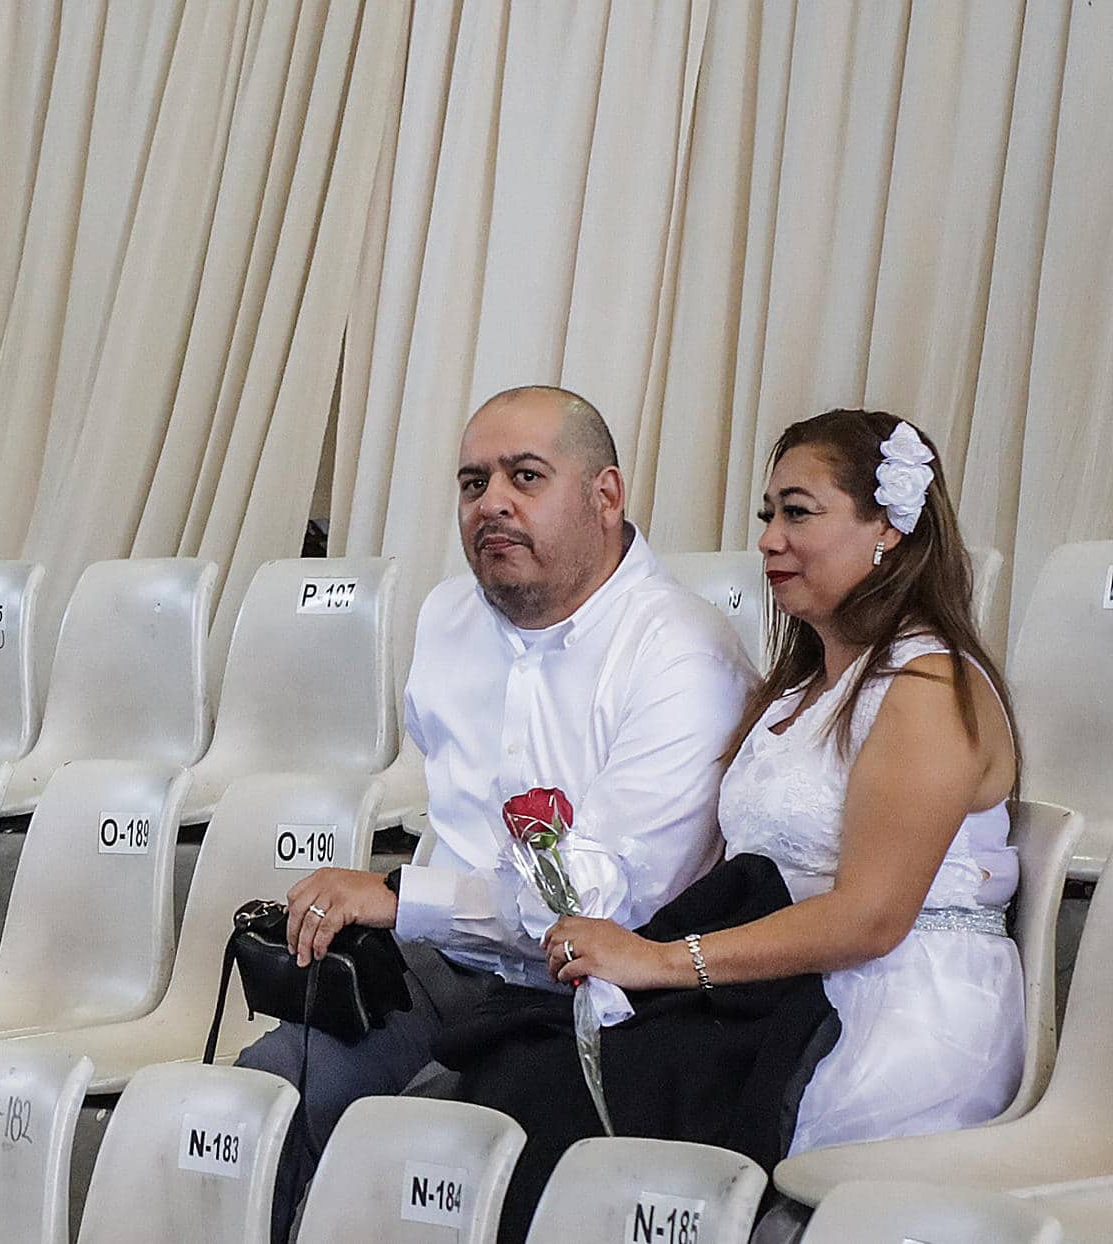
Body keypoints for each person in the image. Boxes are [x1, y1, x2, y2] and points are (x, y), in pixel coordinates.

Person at [235, 385, 756, 1240]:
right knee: (264, 1100)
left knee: (458, 1152)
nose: (493, 504)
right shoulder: (447, 618)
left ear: (607, 496)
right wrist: (414, 918)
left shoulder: (682, 654)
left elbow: (599, 909)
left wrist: (407, 898)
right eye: (474, 484)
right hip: (450, 974)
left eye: (526, 476)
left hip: (607, 1001)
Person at [546, 409, 1022, 1151]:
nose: (769, 539)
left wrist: (663, 962)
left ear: (887, 529)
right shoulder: (798, 693)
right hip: (780, 993)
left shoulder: (927, 686)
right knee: (529, 1069)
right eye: (768, 515)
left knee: (576, 1106)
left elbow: (871, 919)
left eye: (798, 513)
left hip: (895, 1012)